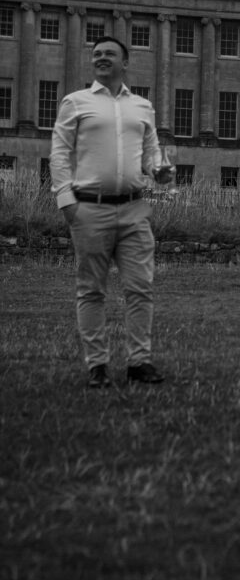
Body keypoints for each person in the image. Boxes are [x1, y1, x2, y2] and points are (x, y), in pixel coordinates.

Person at [50, 35, 174, 388]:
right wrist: (67, 203)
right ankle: (97, 365)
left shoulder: (142, 106)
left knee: (141, 288)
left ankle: (139, 362)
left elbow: (151, 153)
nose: (101, 58)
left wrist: (159, 171)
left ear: (125, 62)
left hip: (135, 208)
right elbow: (59, 154)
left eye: (109, 54)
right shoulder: (75, 102)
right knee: (91, 290)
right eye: (97, 54)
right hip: (89, 208)